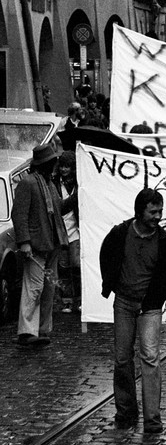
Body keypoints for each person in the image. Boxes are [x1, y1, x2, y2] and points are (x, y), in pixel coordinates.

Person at [100, 188, 166, 433]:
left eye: (160, 211)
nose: (157, 216)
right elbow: (106, 255)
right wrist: (110, 284)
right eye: (152, 211)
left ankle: (152, 419)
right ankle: (125, 412)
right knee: (122, 358)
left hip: (150, 307)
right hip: (124, 302)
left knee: (150, 359)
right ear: (140, 211)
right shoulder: (121, 233)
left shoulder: (164, 242)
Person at [12, 144, 76, 346]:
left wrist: (76, 198)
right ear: (44, 164)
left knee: (48, 288)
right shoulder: (28, 183)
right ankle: (26, 331)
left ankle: (41, 329)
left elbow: (59, 209)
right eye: (52, 162)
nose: (55, 165)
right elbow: (19, 215)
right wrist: (24, 242)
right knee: (34, 288)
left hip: (52, 244)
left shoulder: (49, 184)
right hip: (37, 245)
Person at [54, 151, 80, 314]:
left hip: (75, 231)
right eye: (62, 166)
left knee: (76, 265)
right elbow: (59, 207)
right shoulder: (55, 183)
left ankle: (78, 299)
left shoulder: (78, 183)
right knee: (63, 267)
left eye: (67, 166)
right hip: (61, 231)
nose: (64, 169)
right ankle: (66, 301)